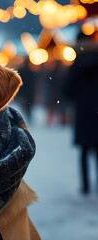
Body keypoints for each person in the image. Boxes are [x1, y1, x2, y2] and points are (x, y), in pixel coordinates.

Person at [64, 31, 98, 195]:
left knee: (84, 151)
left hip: (83, 113)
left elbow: (68, 91)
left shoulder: (76, 65)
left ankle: (85, 186)